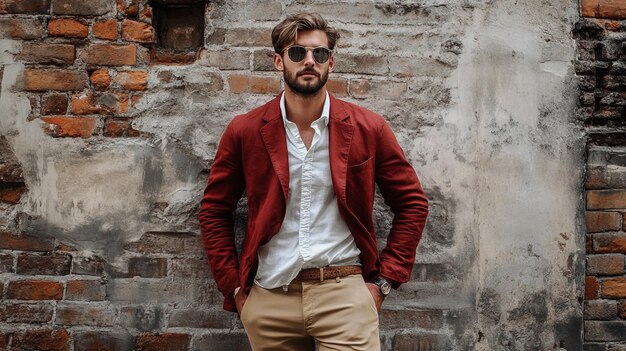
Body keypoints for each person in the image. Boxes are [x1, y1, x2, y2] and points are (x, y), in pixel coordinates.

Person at [199, 12, 429, 351]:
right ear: (279, 61)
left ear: (331, 63)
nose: (309, 61)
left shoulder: (369, 127)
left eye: (319, 54)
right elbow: (214, 211)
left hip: (345, 295)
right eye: (297, 53)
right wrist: (235, 289)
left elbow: (412, 204)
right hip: (270, 298)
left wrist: (382, 284)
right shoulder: (245, 130)